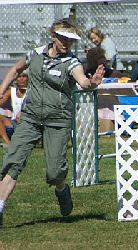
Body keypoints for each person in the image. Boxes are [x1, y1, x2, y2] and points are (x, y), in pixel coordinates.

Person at [0, 19, 105, 226]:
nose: (67, 43)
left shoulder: (72, 62)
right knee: (12, 162)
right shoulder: (36, 53)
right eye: (63, 38)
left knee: (54, 171)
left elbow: (83, 81)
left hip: (58, 119)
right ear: (53, 37)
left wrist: (92, 83)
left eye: (71, 40)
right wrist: (2, 89)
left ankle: (61, 188)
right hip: (30, 117)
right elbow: (15, 69)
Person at [0, 71, 28, 145]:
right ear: (16, 79)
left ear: (28, 78)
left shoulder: (33, 91)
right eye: (19, 76)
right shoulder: (11, 91)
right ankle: (8, 143)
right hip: (14, 123)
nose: (21, 79)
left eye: (24, 76)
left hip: (28, 123)